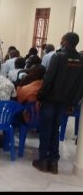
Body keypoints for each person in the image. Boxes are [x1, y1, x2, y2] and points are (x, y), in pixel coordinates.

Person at [34, 32, 83, 175]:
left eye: (62, 40)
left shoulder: (58, 57)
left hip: (50, 100)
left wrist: (40, 97)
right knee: (56, 129)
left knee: (46, 129)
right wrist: (73, 102)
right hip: (66, 102)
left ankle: (43, 161)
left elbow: (48, 80)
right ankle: (54, 162)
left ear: (66, 42)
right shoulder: (81, 60)